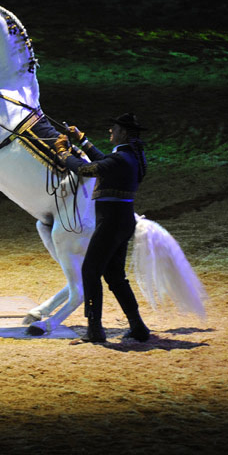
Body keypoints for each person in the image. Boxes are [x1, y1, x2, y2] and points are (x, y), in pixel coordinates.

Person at [54, 113, 151, 343]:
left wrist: (63, 154)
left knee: (90, 271)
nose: (110, 131)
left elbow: (86, 170)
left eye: (114, 128)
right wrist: (82, 139)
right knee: (116, 277)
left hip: (110, 222)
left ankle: (95, 329)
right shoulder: (131, 156)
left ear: (123, 133)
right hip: (122, 220)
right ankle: (137, 326)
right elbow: (103, 162)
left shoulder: (121, 159)